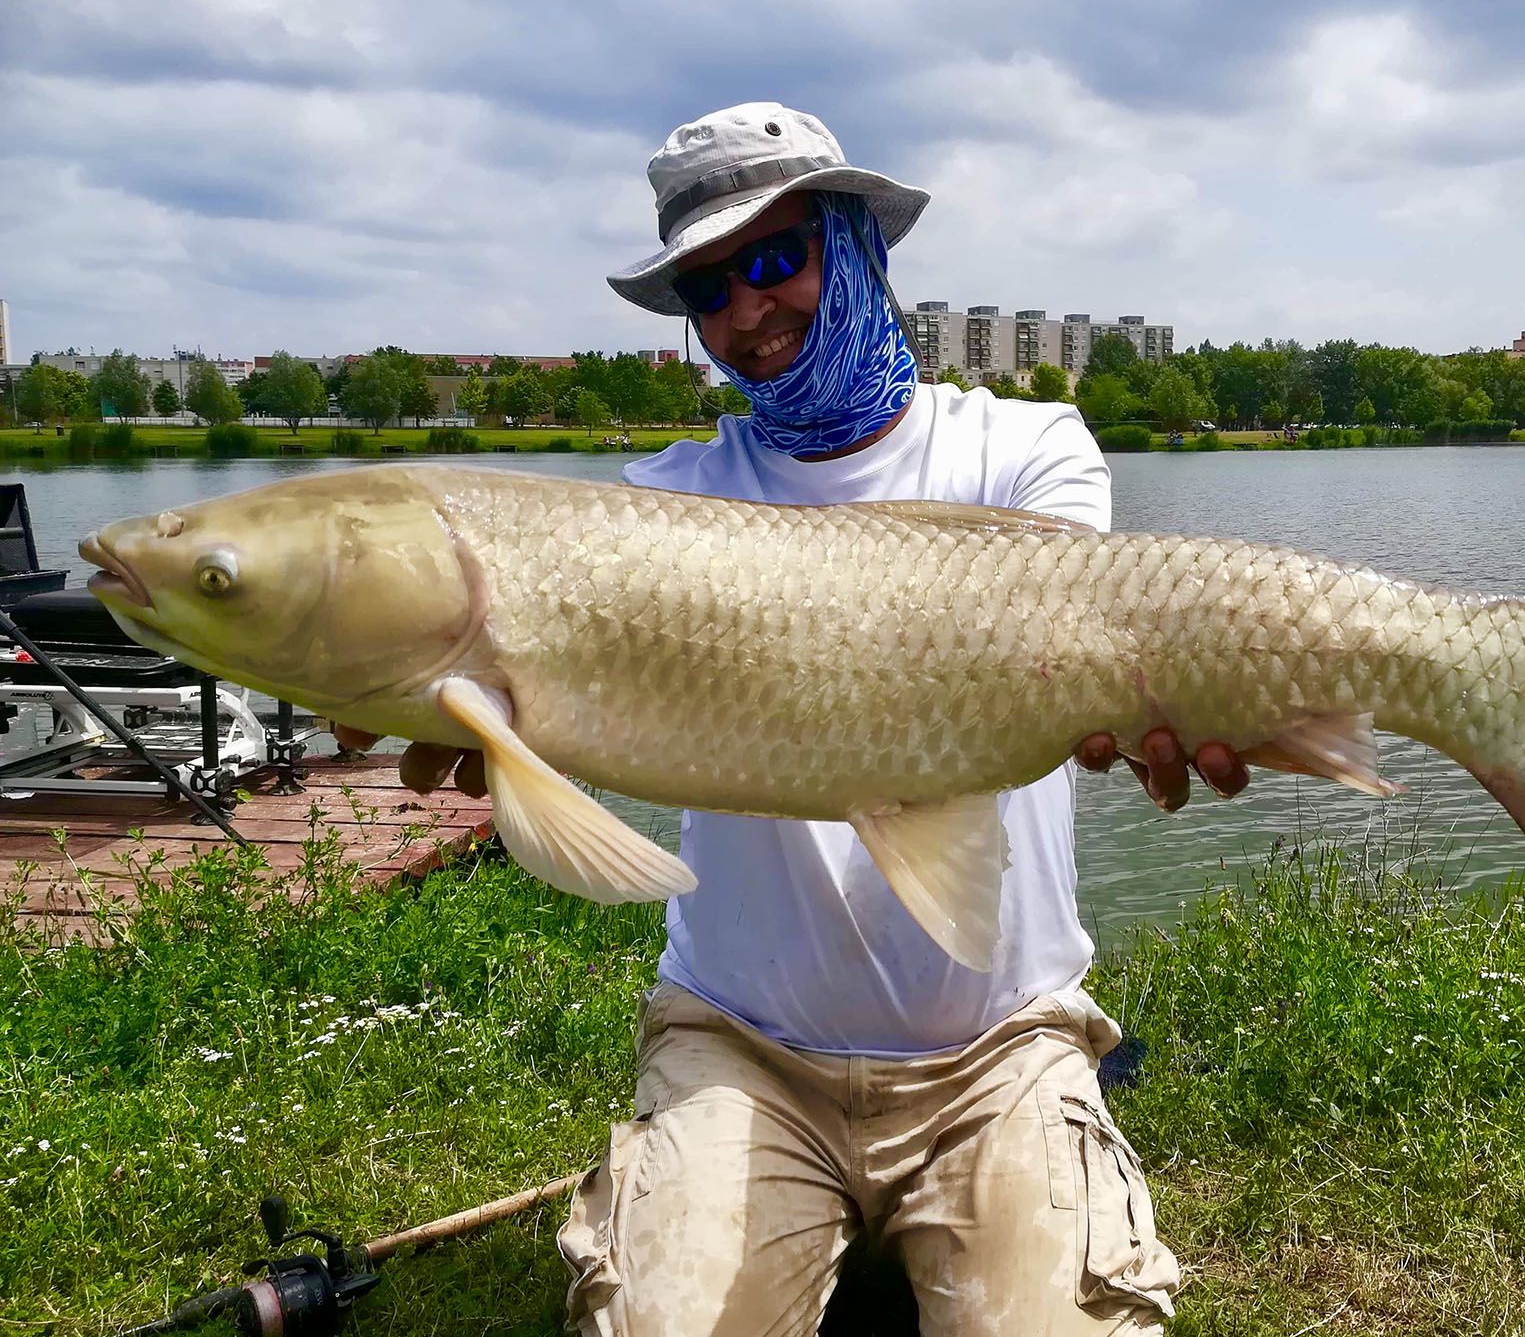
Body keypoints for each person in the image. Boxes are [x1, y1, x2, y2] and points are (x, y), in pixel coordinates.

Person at [346, 102, 1250, 1335]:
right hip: (742, 1045)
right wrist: (459, 704)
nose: (748, 312)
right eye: (709, 287)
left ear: (857, 247)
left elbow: (1071, 647)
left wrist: (1169, 695)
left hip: (1001, 1042)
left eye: (777, 259)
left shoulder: (1028, 449)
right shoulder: (663, 505)